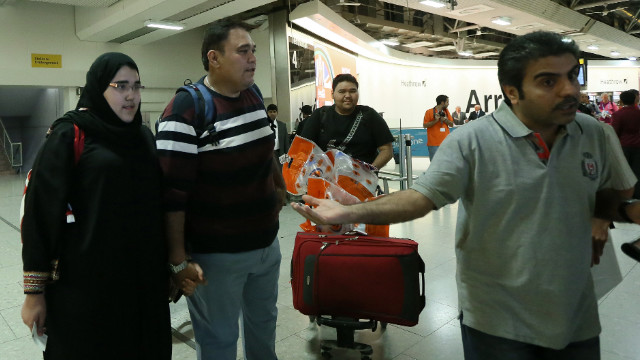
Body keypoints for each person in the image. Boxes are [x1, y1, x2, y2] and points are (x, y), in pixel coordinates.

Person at [291, 31, 623, 359]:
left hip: (576, 314)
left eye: (572, 76)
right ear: (512, 91)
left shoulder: (595, 132)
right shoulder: (473, 141)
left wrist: (601, 217)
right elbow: (421, 196)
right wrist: (346, 210)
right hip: (498, 318)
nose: (569, 90)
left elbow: (617, 184)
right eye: (549, 81)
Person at [20, 52, 171, 359]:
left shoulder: (142, 136)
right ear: (99, 87)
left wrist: (172, 265)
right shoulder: (70, 133)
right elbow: (40, 214)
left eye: (137, 86)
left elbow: (158, 204)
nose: (131, 96)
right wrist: (34, 294)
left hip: (143, 283)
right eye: (120, 86)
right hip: (87, 286)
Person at [155, 20, 284, 360]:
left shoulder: (252, 93)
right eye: (243, 51)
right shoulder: (186, 110)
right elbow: (172, 195)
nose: (253, 58)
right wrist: (178, 261)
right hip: (217, 256)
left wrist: (279, 186)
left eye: (254, 50)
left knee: (264, 327)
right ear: (214, 58)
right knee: (219, 342)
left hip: (266, 245)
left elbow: (265, 146)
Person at [299, 73, 394, 169]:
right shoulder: (320, 115)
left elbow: (387, 150)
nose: (348, 95)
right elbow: (302, 149)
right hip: (326, 180)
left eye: (352, 91)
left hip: (362, 181)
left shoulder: (369, 115)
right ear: (332, 94)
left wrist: (370, 172)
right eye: (342, 91)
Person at [611, 90, 640, 198]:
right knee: (637, 171)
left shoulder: (618, 114)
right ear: (634, 99)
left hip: (623, 146)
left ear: (622, 101)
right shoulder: (638, 113)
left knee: (624, 173)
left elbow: (615, 132)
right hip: (638, 145)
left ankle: (625, 197)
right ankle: (637, 196)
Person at [422, 94, 453, 161]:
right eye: (447, 102)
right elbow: (425, 125)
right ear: (442, 102)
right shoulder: (429, 112)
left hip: (446, 143)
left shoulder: (446, 112)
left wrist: (445, 119)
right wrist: (435, 120)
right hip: (433, 143)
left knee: (446, 163)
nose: (448, 104)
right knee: (434, 163)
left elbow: (452, 124)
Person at [267, 103, 290, 170]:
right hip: (268, 154)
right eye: (270, 112)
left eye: (274, 111)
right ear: (267, 113)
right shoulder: (264, 125)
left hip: (279, 153)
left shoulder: (282, 125)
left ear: (277, 113)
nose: (272, 113)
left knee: (280, 172)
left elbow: (286, 142)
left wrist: (287, 157)